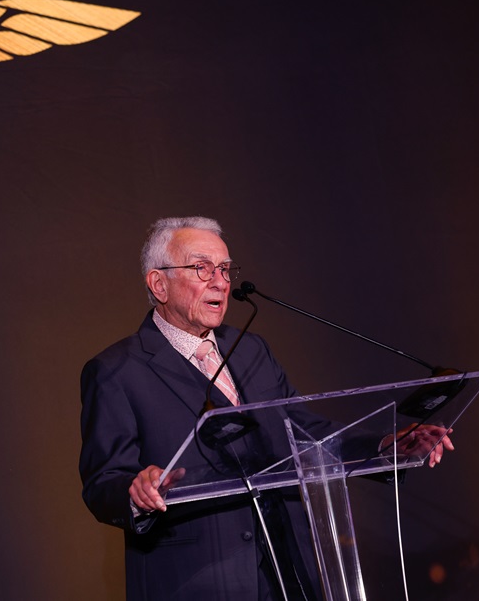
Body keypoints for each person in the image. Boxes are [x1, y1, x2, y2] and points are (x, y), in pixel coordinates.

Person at [78, 217, 453, 601]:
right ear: (159, 284)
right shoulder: (116, 371)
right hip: (196, 581)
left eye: (225, 269)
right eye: (202, 268)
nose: (221, 282)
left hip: (289, 574)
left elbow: (304, 432)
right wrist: (135, 491)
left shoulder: (251, 349)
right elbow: (103, 482)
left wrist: (385, 446)